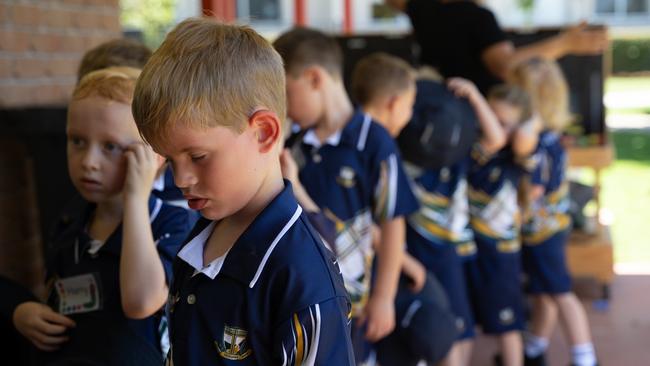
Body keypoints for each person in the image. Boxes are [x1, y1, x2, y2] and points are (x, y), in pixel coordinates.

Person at [131, 18, 355, 365]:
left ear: (264, 132)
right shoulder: (200, 239)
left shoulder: (303, 277)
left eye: (197, 156)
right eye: (170, 160)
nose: (181, 179)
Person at [9, 66, 195, 365]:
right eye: (77, 141)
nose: (89, 162)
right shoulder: (72, 219)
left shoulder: (171, 222)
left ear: (154, 158)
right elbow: (56, 289)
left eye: (110, 147)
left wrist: (136, 199)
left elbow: (141, 302)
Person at [273, 28, 420, 364]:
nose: (283, 107)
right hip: (299, 294)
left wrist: (383, 297)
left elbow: (393, 222)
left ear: (313, 79)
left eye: (285, 93)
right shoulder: (289, 143)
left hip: (353, 299)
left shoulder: (374, 141)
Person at [350, 52, 459, 366]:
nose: (410, 116)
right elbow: (371, 226)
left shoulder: (356, 136)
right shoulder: (377, 144)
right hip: (370, 279)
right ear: (394, 103)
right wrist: (408, 267)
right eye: (410, 106)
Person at [513, 58, 598, 366]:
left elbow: (533, 191)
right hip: (552, 226)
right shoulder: (553, 138)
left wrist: (513, 212)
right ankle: (535, 348)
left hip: (541, 230)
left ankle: (584, 355)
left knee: (560, 292)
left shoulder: (535, 144)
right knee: (543, 292)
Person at [464, 83, 541, 366]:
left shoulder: (519, 157)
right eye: (489, 117)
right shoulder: (476, 150)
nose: (493, 127)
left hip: (501, 255)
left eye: (503, 123)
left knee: (508, 327)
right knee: (465, 328)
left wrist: (474, 93)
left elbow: (525, 135)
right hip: (470, 250)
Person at [385, 0, 608, 94]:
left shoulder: (423, 8)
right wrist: (566, 43)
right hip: (478, 119)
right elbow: (505, 65)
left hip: (439, 108)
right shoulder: (479, 18)